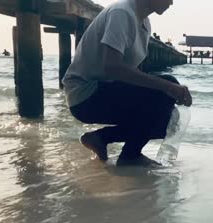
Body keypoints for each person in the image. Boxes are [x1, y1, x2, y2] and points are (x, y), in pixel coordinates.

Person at [63, 0, 192, 167]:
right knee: (167, 87)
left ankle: (100, 138)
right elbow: (112, 68)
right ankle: (130, 156)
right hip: (85, 95)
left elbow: (134, 74)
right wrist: (168, 87)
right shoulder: (122, 13)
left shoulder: (144, 22)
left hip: (105, 91)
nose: (172, 2)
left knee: (166, 118)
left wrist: (169, 94)